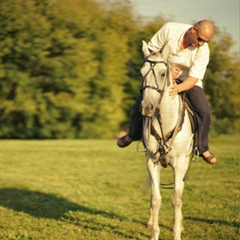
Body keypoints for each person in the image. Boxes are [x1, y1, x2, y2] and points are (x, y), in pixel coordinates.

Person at [117, 20, 217, 165]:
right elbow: (151, 52)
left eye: (205, 41)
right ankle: (132, 135)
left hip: (187, 80)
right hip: (161, 73)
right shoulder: (170, 29)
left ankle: (202, 148)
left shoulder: (203, 50)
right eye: (200, 39)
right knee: (140, 105)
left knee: (204, 112)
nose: (201, 43)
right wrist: (167, 70)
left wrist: (177, 88)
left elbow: (194, 78)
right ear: (193, 30)